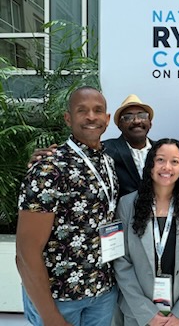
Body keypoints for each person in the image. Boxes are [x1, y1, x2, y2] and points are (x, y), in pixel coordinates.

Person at [16, 86, 120, 326]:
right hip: (60, 299)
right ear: (68, 118)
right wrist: (51, 317)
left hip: (101, 292)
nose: (91, 116)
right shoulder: (48, 168)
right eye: (82, 110)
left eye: (98, 111)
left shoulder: (108, 162)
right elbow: (25, 253)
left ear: (106, 119)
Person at [114, 138, 179, 326]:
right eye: (160, 160)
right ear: (150, 164)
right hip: (139, 313)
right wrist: (147, 313)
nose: (167, 167)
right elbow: (121, 261)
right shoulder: (127, 205)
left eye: (174, 161)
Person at [104, 94, 155, 197]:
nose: (136, 121)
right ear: (119, 125)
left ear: (150, 123)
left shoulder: (161, 150)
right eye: (128, 117)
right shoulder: (106, 150)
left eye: (142, 116)